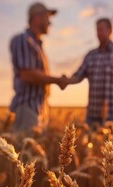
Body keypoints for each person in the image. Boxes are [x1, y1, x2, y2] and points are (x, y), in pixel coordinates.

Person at [9, 2, 67, 133]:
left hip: (38, 109)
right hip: (27, 108)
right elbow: (27, 74)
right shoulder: (23, 40)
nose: (50, 23)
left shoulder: (37, 45)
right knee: (25, 150)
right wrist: (58, 81)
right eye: (47, 18)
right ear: (37, 18)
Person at [68, 18, 113, 129]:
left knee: (111, 146)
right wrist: (63, 80)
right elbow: (78, 76)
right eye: (97, 30)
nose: (99, 33)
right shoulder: (91, 55)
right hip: (92, 115)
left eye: (101, 29)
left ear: (110, 31)